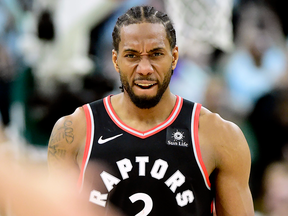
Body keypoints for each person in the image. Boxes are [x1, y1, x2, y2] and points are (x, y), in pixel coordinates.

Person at [47, 5, 254, 216]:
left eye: (155, 54)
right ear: (115, 60)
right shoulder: (74, 131)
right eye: (132, 55)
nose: (144, 68)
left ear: (174, 58)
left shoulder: (219, 135)